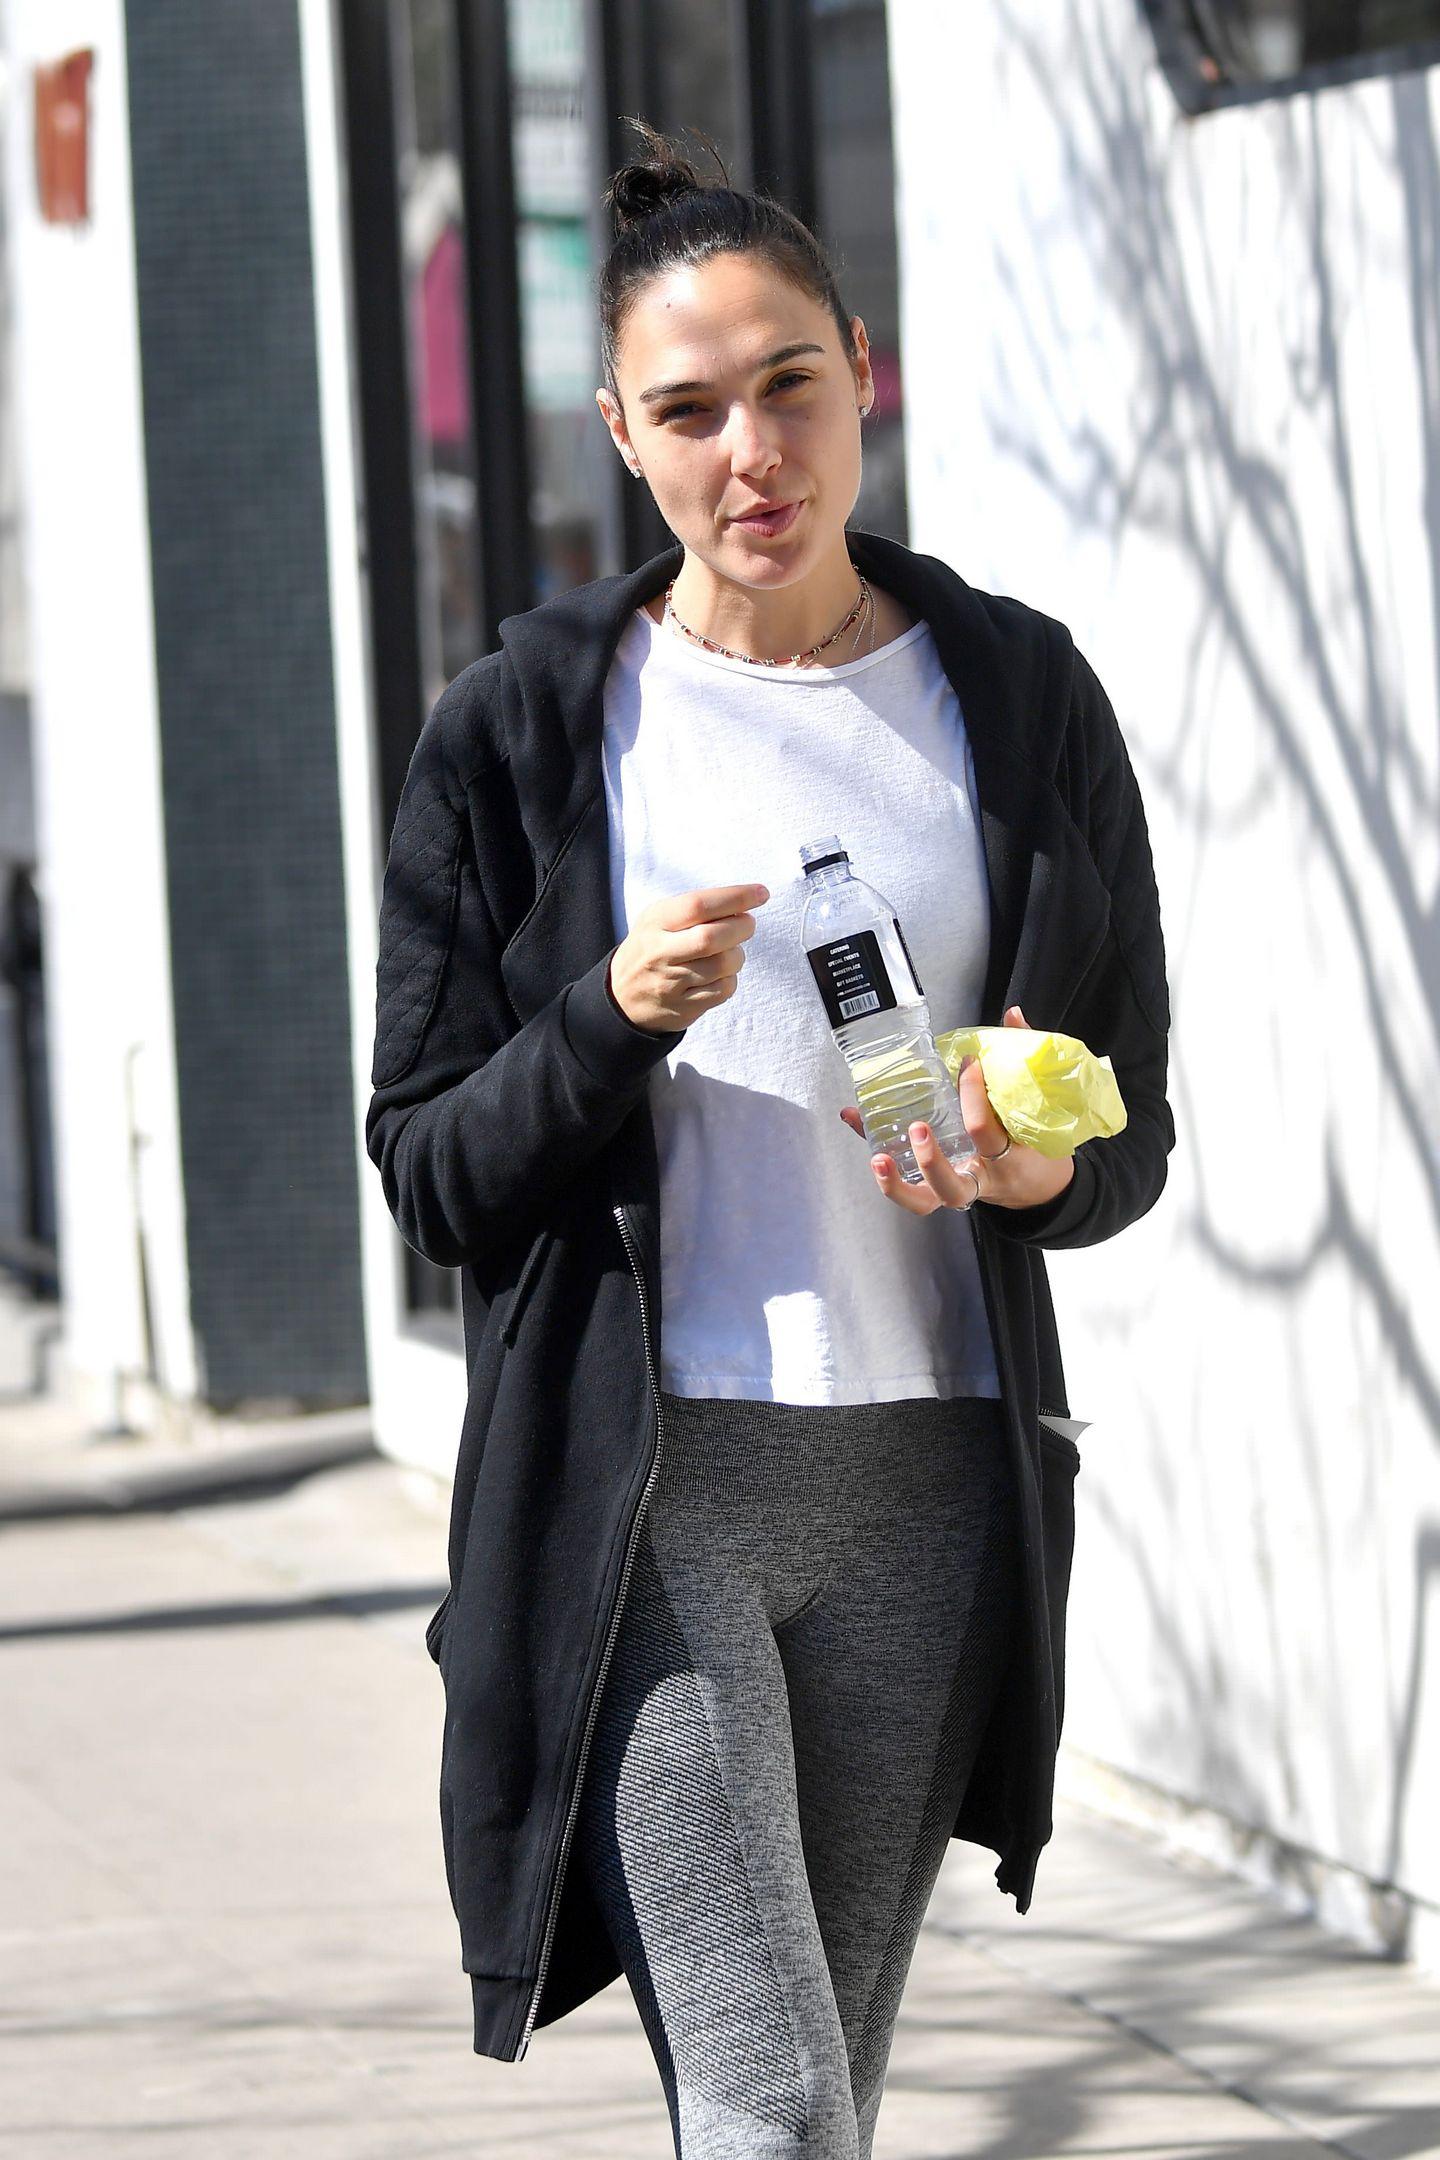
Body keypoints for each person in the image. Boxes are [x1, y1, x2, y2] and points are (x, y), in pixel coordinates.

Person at [366, 117, 1175, 2160]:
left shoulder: (1015, 693)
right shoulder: (531, 728)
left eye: (788, 385)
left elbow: (1133, 1120)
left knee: (834, 2101)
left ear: (863, 372)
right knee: (774, 2102)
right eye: (691, 409)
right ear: (626, 440)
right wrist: (608, 1019)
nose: (754, 453)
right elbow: (431, 1158)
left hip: (935, 1478)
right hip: (651, 1496)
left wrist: (1038, 1165)